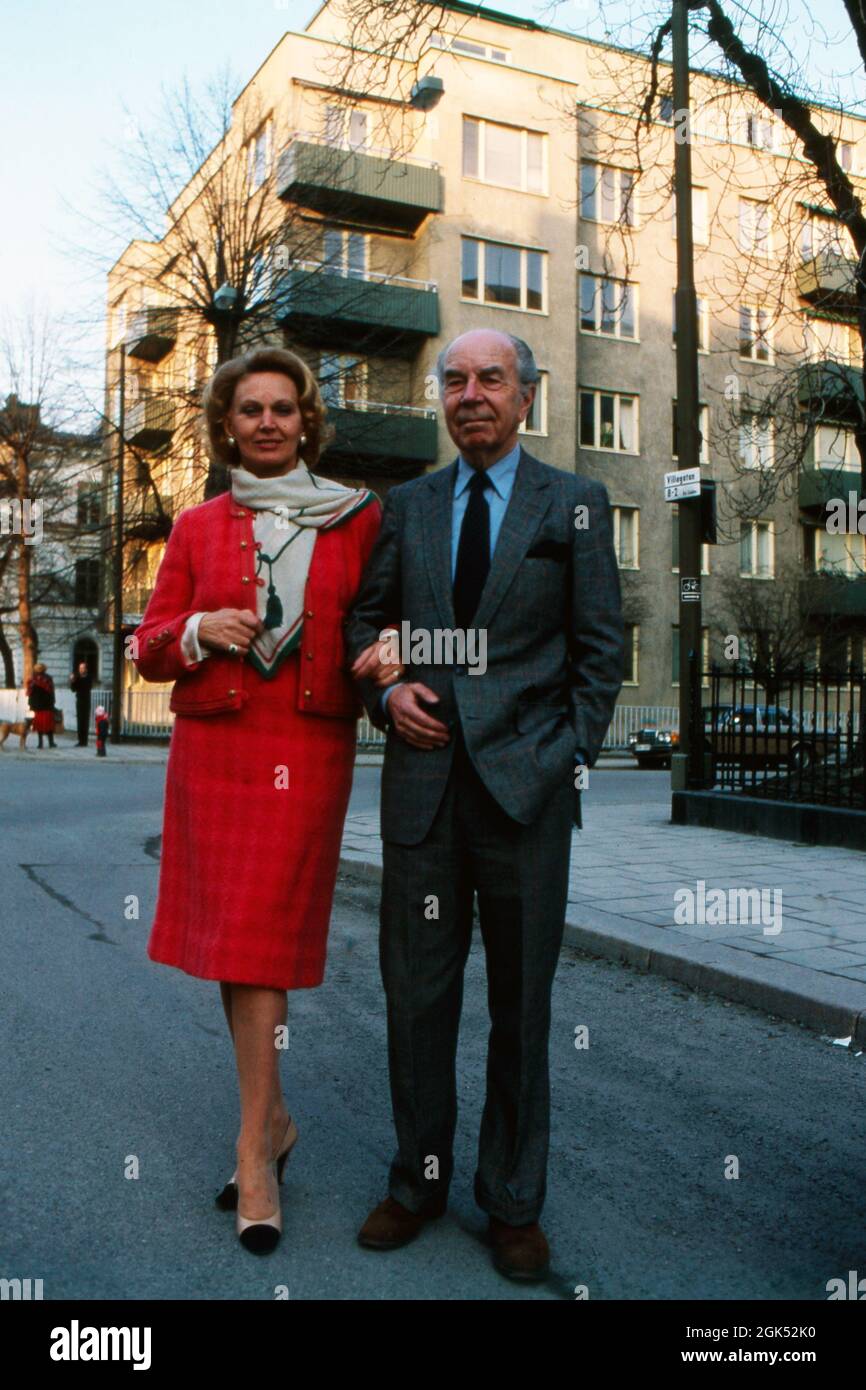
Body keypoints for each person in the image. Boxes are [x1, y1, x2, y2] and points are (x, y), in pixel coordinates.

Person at [346, 328, 624, 1281]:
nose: (471, 395)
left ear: (525, 397)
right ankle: (417, 1183)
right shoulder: (406, 506)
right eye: (455, 380)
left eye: (490, 379)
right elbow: (361, 620)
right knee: (418, 1001)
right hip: (423, 798)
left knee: (521, 1007)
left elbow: (600, 656)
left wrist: (558, 762)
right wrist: (385, 692)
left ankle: (512, 1201)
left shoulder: (573, 505)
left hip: (525, 802)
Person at [133, 346, 398, 1256]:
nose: (269, 422)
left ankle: (255, 1147)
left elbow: (380, 616)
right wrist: (199, 629)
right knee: (236, 945)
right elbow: (149, 644)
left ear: (307, 421)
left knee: (263, 939)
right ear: (228, 425)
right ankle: (270, 1122)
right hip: (217, 747)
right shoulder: (199, 525)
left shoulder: (358, 519)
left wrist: (393, 652)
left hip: (307, 747)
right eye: (250, 409)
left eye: (284, 408)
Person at [27, 663, 57, 749]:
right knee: (48, 724)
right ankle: (51, 742)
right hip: (47, 704)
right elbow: (51, 691)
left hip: (38, 705)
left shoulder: (33, 679)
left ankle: (40, 743)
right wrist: (53, 702)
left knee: (39, 724)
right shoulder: (48, 678)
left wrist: (30, 704)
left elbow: (30, 693)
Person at [70, 661, 93, 746]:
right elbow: (73, 689)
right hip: (79, 700)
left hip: (86, 700)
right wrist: (72, 681)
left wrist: (77, 681)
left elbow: (88, 687)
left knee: (85, 721)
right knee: (80, 720)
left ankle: (85, 741)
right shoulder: (77, 678)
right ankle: (80, 741)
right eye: (80, 668)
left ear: (86, 669)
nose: (81, 670)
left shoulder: (89, 677)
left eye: (83, 668)